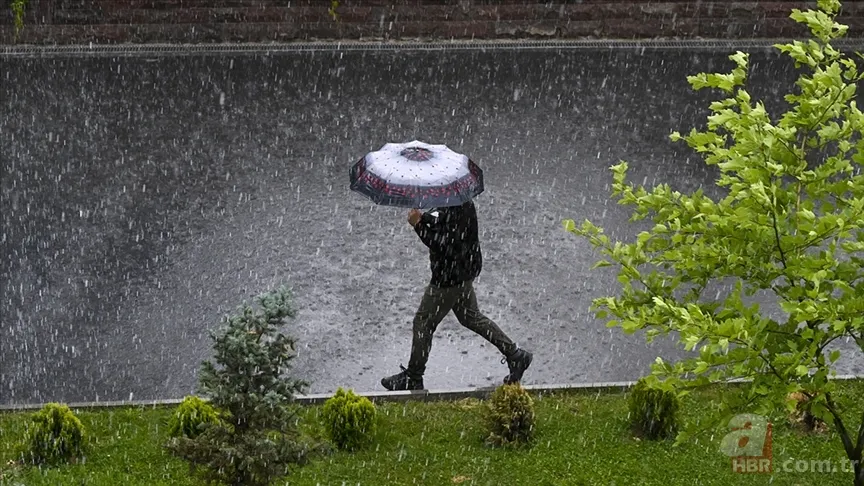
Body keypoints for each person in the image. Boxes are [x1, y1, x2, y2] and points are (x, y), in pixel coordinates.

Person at [381, 199, 533, 391]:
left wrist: (418, 225)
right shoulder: (459, 200)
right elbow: (443, 222)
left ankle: (413, 376)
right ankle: (516, 356)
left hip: (448, 278)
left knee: (423, 322)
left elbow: (443, 245)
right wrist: (425, 217)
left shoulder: (454, 205)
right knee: (470, 316)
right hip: (462, 272)